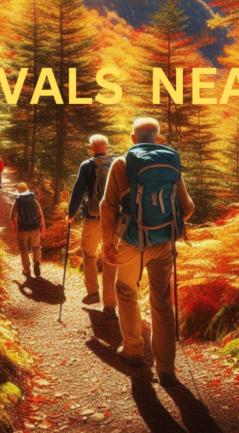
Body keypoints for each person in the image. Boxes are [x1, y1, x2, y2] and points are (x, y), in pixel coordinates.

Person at [100, 117, 193, 388]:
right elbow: (186, 207)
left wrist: (108, 243)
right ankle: (166, 369)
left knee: (127, 290)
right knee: (161, 302)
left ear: (132, 138)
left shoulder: (121, 163)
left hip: (132, 242)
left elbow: (108, 206)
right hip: (164, 241)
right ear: (157, 138)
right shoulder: (170, 162)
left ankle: (133, 350)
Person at [65, 134, 118, 319]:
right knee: (111, 258)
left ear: (92, 149)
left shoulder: (87, 165)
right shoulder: (116, 163)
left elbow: (78, 191)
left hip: (93, 217)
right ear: (106, 147)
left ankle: (93, 292)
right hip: (113, 220)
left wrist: (71, 214)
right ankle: (110, 305)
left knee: (89, 253)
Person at [10, 182, 45, 278]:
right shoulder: (34, 200)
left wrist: (16, 232)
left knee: (24, 249)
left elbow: (12, 217)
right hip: (34, 228)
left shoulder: (17, 202)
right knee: (36, 247)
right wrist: (42, 231)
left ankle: (26, 269)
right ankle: (37, 262)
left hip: (23, 230)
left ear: (18, 191)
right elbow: (41, 215)